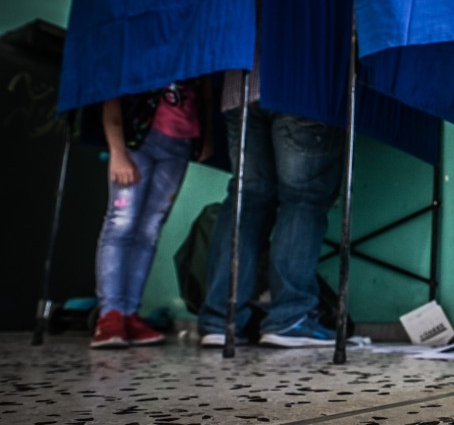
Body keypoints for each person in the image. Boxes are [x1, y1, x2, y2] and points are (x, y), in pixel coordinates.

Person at [196, 61, 344, 348]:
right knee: (304, 199)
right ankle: (289, 318)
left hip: (239, 87)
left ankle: (221, 320)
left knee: (246, 198)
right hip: (302, 84)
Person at [91, 78, 214, 348]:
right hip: (138, 139)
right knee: (121, 223)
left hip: (180, 143)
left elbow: (205, 95)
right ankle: (110, 315)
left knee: (150, 230)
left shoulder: (196, 50)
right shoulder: (146, 44)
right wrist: (117, 151)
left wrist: (206, 136)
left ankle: (129, 313)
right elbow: (113, 93)